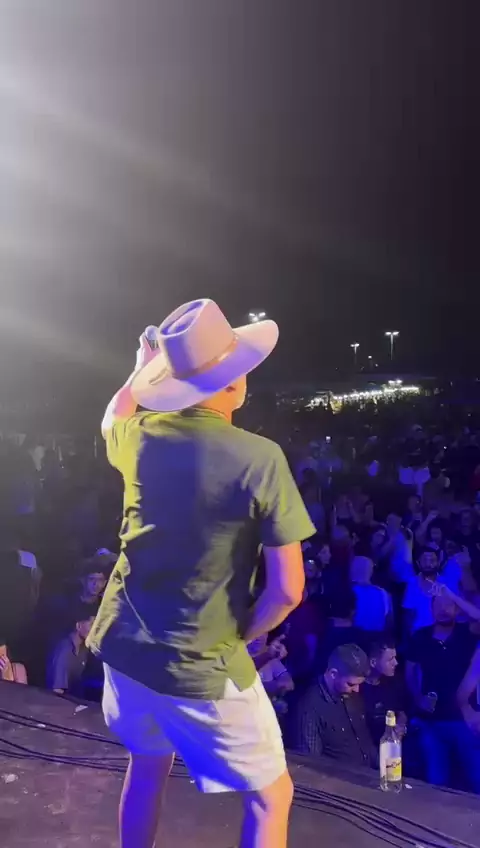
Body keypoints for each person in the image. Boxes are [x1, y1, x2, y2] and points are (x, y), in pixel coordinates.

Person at [87, 300, 315, 848]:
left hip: (123, 647)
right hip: (199, 664)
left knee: (147, 765)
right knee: (271, 797)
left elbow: (112, 415)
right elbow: (288, 590)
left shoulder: (142, 436)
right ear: (233, 383)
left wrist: (138, 368)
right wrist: (243, 632)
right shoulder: (260, 457)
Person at [405, 592, 480, 792]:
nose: (443, 609)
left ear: (457, 608)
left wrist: (452, 595)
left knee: (476, 779)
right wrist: (418, 698)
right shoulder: (421, 636)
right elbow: (409, 671)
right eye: (438, 605)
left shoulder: (467, 633)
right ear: (431, 608)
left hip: (464, 721)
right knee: (436, 781)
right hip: (432, 722)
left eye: (449, 605)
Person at [288, 644, 376, 766]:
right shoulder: (309, 707)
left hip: (369, 772)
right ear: (333, 674)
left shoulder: (352, 695)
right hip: (340, 776)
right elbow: (311, 763)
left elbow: (365, 742)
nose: (357, 690)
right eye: (351, 684)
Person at [362, 641, 407, 745]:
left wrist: (400, 727)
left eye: (395, 658)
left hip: (390, 743)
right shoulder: (356, 687)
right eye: (390, 659)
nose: (396, 663)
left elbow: (401, 712)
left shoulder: (394, 683)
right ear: (373, 662)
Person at [47, 615, 94, 696]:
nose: (95, 630)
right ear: (78, 626)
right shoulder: (64, 650)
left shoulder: (84, 649)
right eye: (91, 624)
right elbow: (57, 691)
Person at [350, 555, 393, 633]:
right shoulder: (383, 593)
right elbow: (389, 621)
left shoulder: (350, 592)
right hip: (377, 637)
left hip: (354, 637)